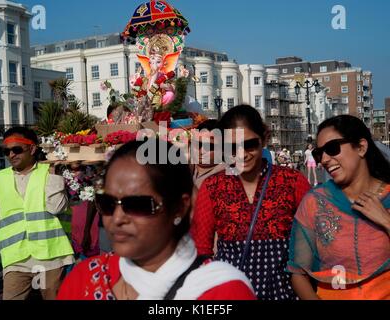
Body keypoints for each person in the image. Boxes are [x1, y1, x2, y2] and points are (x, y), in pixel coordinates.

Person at [57, 140, 255, 300]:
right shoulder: (84, 277)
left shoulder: (223, 291)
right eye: (107, 203)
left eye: (137, 205)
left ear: (180, 207)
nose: (117, 218)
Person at [191, 105, 311, 300]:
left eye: (249, 144)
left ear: (264, 138)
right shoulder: (212, 187)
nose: (242, 154)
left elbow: (315, 242)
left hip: (285, 294)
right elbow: (201, 249)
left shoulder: (292, 182)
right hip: (232, 295)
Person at [287, 115, 390, 300]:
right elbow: (298, 273)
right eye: (319, 153)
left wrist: (386, 221)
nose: (324, 160)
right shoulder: (314, 202)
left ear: (361, 147)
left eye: (332, 149)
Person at [0, 127, 74, 300]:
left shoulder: (48, 173)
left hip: (51, 257)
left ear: (32, 148)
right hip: (16, 260)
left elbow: (57, 207)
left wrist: (54, 175)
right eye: (6, 151)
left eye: (17, 149)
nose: (11, 155)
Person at [191, 120, 226, 199]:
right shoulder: (192, 166)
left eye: (209, 146)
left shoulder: (224, 179)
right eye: (198, 144)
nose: (202, 150)